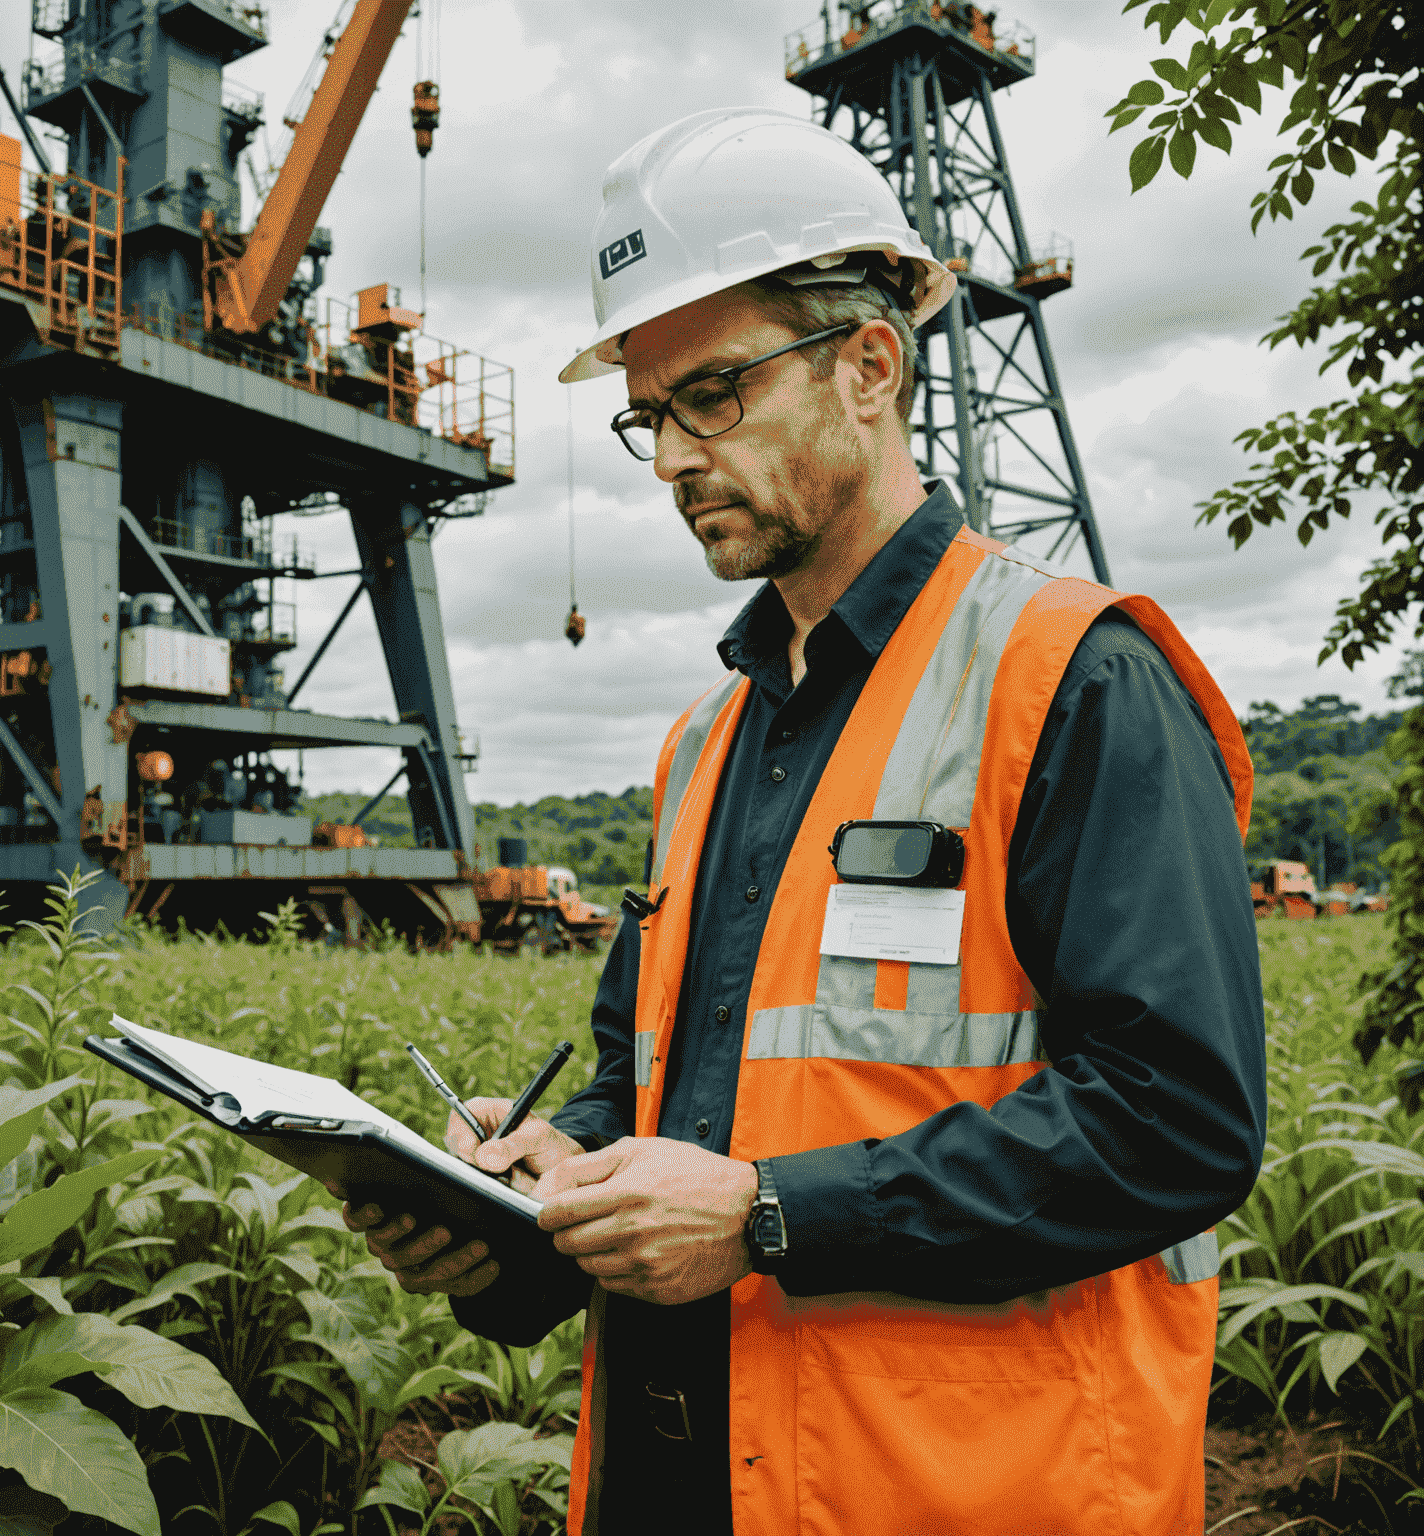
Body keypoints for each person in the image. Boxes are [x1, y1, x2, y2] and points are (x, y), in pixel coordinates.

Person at [338, 107, 1266, 1536]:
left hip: (960, 1493)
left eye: (711, 395)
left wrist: (773, 1213)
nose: (669, 460)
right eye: (649, 413)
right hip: (689, 1478)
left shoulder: (1073, 680)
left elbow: (1178, 1124)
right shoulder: (708, 741)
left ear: (870, 369)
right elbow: (646, 1097)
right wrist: (526, 1202)